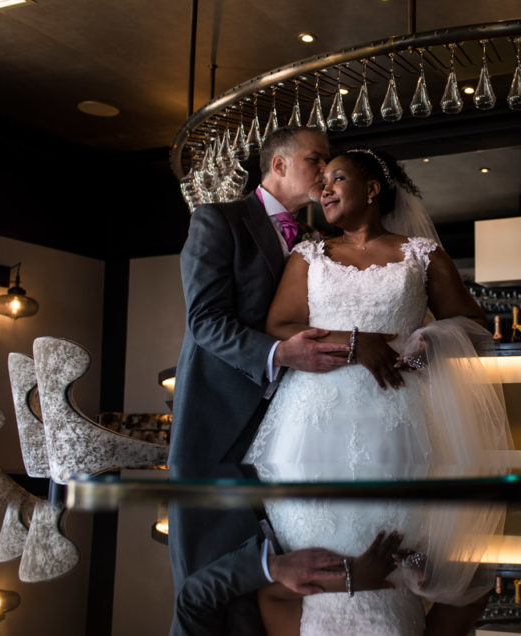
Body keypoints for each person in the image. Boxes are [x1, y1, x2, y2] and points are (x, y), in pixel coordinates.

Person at [245, 147, 513, 635]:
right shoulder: (311, 255)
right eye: (321, 180)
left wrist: (430, 342)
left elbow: (472, 325)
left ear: (372, 189)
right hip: (314, 418)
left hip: (398, 414)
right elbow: (280, 324)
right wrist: (352, 343)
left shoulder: (422, 255)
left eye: (337, 178)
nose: (323, 189)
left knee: (403, 509)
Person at [169, 127, 353, 634]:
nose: (325, 171)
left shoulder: (315, 241)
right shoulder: (218, 221)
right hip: (218, 426)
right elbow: (204, 321)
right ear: (277, 165)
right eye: (315, 160)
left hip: (287, 430)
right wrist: (278, 352)